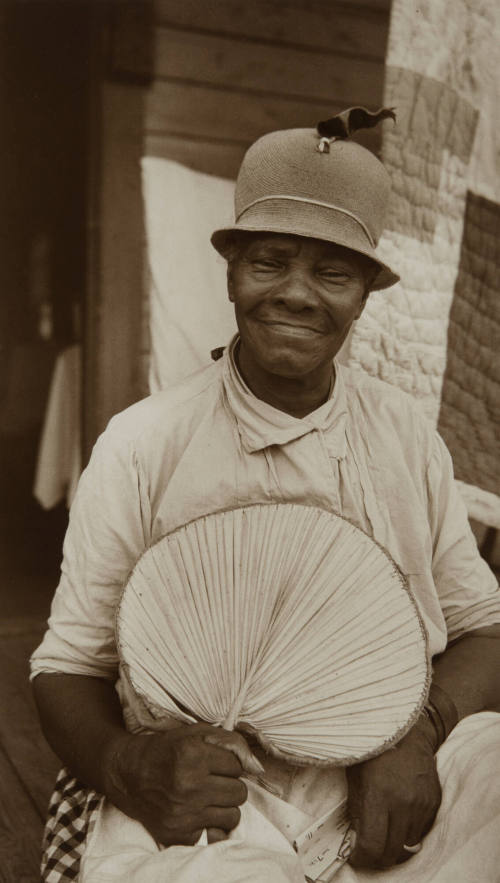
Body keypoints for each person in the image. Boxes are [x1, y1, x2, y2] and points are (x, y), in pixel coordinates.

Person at [31, 109, 500, 883]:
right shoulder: (143, 444)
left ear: (365, 294)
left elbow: (484, 625)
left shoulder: (406, 438)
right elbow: (65, 668)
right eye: (271, 261)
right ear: (230, 269)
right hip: (207, 790)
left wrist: (421, 734)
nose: (296, 294)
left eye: (332, 272)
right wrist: (128, 763)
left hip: (391, 774)